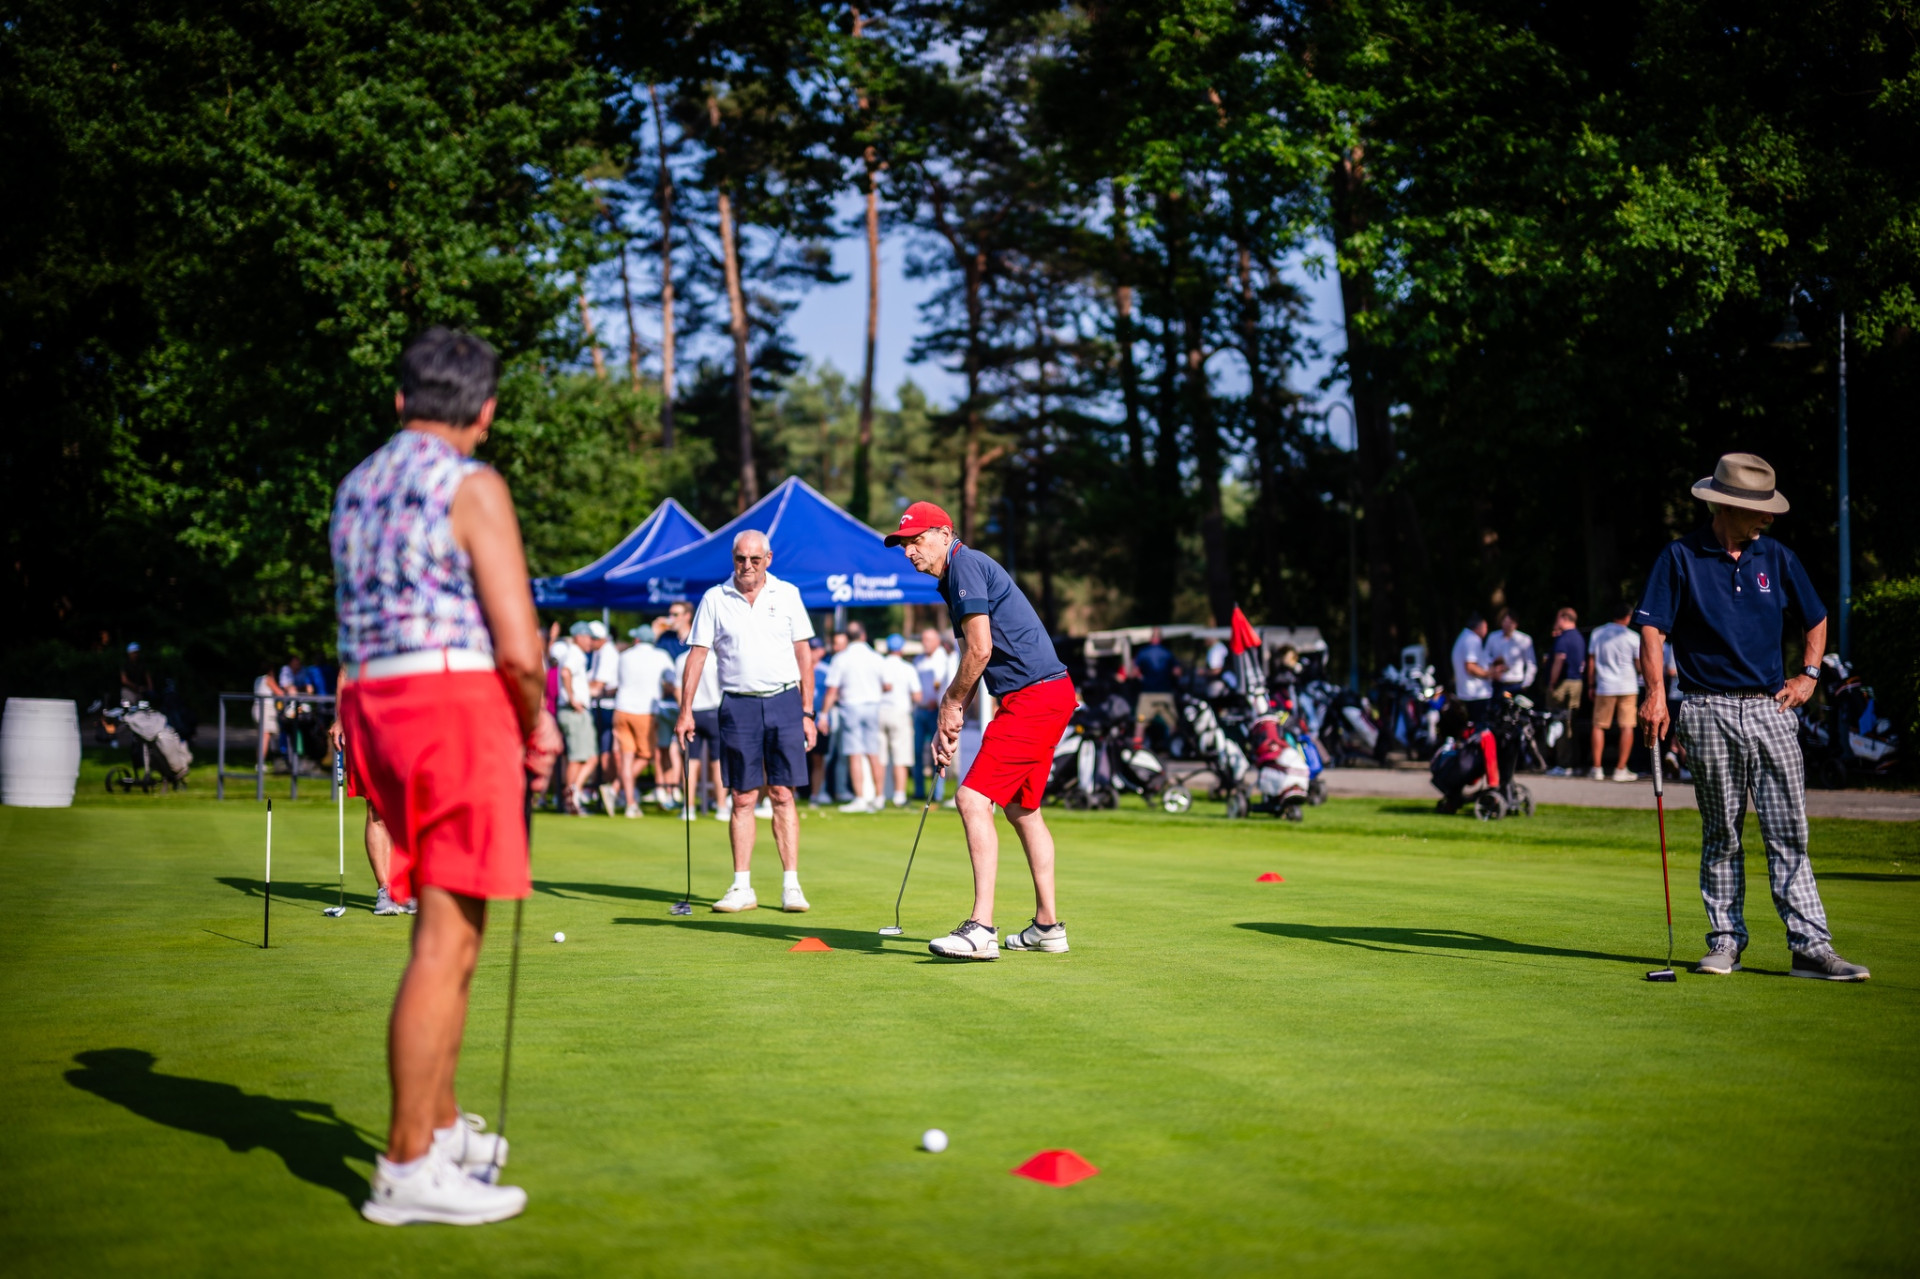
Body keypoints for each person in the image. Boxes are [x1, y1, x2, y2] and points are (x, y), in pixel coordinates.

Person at [330, 326, 562, 1225]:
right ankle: (406, 1163)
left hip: (375, 703)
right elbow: (519, 643)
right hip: (451, 704)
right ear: (487, 411)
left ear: (400, 399)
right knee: (448, 935)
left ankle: (435, 1121)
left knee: (446, 928)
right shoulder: (474, 484)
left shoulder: (357, 483)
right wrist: (535, 721)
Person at [1636, 452, 1867, 980]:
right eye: (1757, 508)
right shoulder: (1680, 556)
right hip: (1706, 707)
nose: (1767, 517)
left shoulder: (1777, 557)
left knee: (1789, 832)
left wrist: (1809, 675)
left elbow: (1815, 617)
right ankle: (1725, 941)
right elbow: (1652, 629)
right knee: (1723, 833)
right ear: (1724, 506)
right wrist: (1655, 693)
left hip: (1770, 707)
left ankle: (1810, 947)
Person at [889, 501, 1078, 961]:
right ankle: (1047, 927)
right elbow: (971, 660)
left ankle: (982, 928)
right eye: (904, 545)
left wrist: (949, 704)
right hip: (1045, 694)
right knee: (1022, 809)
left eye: (916, 541)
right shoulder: (951, 579)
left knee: (972, 798)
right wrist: (952, 718)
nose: (909, 551)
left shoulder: (964, 565)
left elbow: (980, 650)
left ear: (944, 533)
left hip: (1034, 697)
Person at [676, 529, 818, 913]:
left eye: (755, 559)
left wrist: (808, 712)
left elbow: (803, 654)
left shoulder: (787, 594)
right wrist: (686, 711)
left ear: (768, 559)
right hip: (737, 704)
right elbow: (697, 656)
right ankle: (742, 887)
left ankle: (791, 886)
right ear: (733, 558)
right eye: (741, 559)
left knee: (783, 793)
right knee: (742, 797)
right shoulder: (714, 598)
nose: (748, 566)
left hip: (785, 701)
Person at [327, 717, 410, 915]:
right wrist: (341, 718)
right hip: (373, 724)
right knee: (377, 807)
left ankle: (405, 888)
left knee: (409, 805)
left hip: (411, 722)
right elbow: (344, 692)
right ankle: (385, 889)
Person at [820, 620, 887, 813]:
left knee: (855, 754)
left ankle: (860, 798)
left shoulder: (841, 658)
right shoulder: (876, 657)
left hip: (851, 706)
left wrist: (823, 714)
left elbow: (832, 690)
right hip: (872, 706)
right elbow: (887, 685)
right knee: (873, 752)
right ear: (863, 635)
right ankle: (879, 797)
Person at [613, 624, 675, 818]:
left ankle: (629, 801)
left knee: (627, 757)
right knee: (646, 756)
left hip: (622, 709)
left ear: (637, 640)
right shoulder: (661, 656)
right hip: (645, 712)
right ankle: (616, 789)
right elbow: (671, 680)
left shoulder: (624, 656)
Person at [1586, 601, 1641, 782]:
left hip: (1604, 685)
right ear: (1628, 617)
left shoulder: (1598, 633)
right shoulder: (1633, 637)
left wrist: (1591, 684)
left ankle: (1597, 767)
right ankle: (1620, 768)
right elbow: (1639, 665)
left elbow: (1591, 661)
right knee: (1627, 725)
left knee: (1599, 725)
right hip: (1627, 685)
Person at [674, 627, 724, 819]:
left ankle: (689, 808)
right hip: (713, 711)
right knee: (717, 762)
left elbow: (678, 690)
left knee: (691, 761)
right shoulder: (717, 659)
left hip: (693, 712)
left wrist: (683, 711)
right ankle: (721, 807)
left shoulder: (682, 659)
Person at [554, 623, 597, 814]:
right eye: (589, 637)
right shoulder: (575, 653)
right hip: (574, 711)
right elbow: (566, 672)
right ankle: (572, 795)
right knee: (582, 758)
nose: (591, 642)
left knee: (581, 757)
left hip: (571, 710)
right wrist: (573, 699)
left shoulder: (572, 653)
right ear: (579, 636)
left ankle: (572, 795)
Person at [911, 628, 954, 801]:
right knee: (917, 752)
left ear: (937, 641)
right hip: (920, 710)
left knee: (937, 752)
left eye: (928, 639)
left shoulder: (944, 659)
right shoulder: (918, 660)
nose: (925, 643)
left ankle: (937, 793)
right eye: (923, 639)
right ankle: (919, 791)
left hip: (936, 711)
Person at [586, 619, 621, 814]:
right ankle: (605, 790)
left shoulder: (607, 653)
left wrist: (579, 688)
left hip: (607, 708)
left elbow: (598, 684)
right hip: (603, 707)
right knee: (603, 751)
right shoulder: (601, 652)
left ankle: (609, 790)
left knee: (606, 752)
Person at [878, 634, 917, 806]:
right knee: (901, 756)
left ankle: (879, 796)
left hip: (880, 712)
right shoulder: (907, 668)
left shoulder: (880, 665)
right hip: (900, 712)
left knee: (881, 757)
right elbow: (917, 695)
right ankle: (899, 796)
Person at [1130, 627, 1180, 745]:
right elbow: (1177, 672)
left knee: (1140, 721)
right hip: (1165, 693)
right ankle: (1174, 746)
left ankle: (1137, 746)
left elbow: (1134, 673)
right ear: (1161, 639)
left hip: (1148, 694)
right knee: (1172, 722)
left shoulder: (1143, 653)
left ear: (1150, 638)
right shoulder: (1167, 653)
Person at [1449, 614, 1494, 722]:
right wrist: (1490, 674)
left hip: (1467, 692)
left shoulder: (1463, 637)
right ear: (1479, 627)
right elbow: (1470, 666)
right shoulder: (1472, 640)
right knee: (1481, 727)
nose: (1486, 630)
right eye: (1486, 627)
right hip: (1477, 694)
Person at [1485, 609, 1536, 700]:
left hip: (1516, 683)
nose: (1507, 625)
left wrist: (1526, 684)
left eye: (1510, 622)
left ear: (1516, 624)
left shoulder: (1524, 639)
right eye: (1505, 622)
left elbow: (1531, 663)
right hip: (1498, 683)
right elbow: (1485, 658)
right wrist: (1495, 664)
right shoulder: (1493, 637)